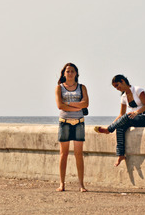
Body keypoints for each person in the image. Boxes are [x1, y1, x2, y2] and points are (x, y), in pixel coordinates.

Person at [94, 74, 145, 166]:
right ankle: (120, 155)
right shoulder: (123, 97)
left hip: (144, 118)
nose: (117, 88)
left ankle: (108, 130)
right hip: (132, 119)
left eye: (117, 85)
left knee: (127, 116)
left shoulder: (138, 90)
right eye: (115, 87)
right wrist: (114, 123)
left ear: (122, 81)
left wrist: (136, 112)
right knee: (120, 127)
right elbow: (121, 114)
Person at [55, 63, 89, 192]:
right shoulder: (59, 88)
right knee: (63, 154)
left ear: (76, 73)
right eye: (68, 71)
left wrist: (68, 103)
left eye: (72, 71)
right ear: (64, 73)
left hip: (79, 122)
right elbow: (60, 105)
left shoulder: (82, 87)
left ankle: (81, 184)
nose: (70, 73)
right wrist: (76, 105)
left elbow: (86, 103)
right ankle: (62, 184)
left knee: (78, 154)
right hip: (64, 122)